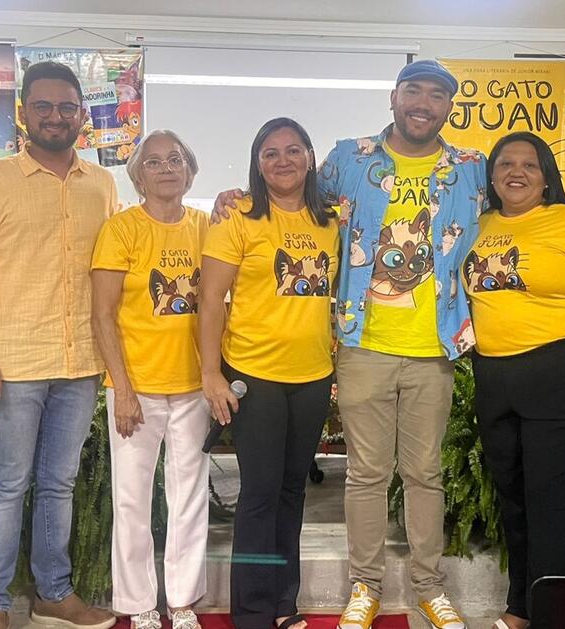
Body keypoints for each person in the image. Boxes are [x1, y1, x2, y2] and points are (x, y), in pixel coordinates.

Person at [215, 59, 485, 629]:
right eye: (413, 91)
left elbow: (520, 208)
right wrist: (232, 192)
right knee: (366, 474)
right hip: (362, 344)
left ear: (448, 107)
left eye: (436, 95)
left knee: (425, 473)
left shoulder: (470, 168)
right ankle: (365, 586)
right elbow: (290, 188)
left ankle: (429, 587)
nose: (423, 103)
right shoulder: (348, 159)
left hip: (433, 347)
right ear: (394, 97)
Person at [0, 61, 117, 629]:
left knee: (58, 484)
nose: (55, 116)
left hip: (79, 363)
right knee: (6, 485)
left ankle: (54, 593)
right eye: (43, 106)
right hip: (14, 362)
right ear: (23, 113)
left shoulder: (102, 184)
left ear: (82, 115)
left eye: (67, 107)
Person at [464, 132, 565, 629]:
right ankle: (520, 608)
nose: (517, 172)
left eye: (529, 165)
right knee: (514, 503)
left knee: (557, 508)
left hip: (562, 376)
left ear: (547, 176)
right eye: (505, 164)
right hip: (495, 380)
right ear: (491, 177)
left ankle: (553, 616)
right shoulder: (476, 225)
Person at [198, 117, 339, 629]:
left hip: (313, 377)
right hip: (253, 375)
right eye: (270, 153)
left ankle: (284, 603)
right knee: (259, 493)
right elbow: (210, 300)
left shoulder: (331, 219)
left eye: (293, 150)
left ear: (310, 158)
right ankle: (253, 612)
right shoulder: (236, 216)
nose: (283, 161)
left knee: (292, 491)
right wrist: (211, 374)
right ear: (257, 164)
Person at [91, 130, 209, 629]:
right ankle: (139, 603)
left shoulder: (206, 226)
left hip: (194, 386)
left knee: (190, 496)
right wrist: (121, 388)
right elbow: (102, 314)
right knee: (132, 498)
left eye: (175, 160)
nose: (166, 169)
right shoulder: (121, 229)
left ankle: (182, 602)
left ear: (189, 171)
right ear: (138, 176)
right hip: (135, 387)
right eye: (155, 162)